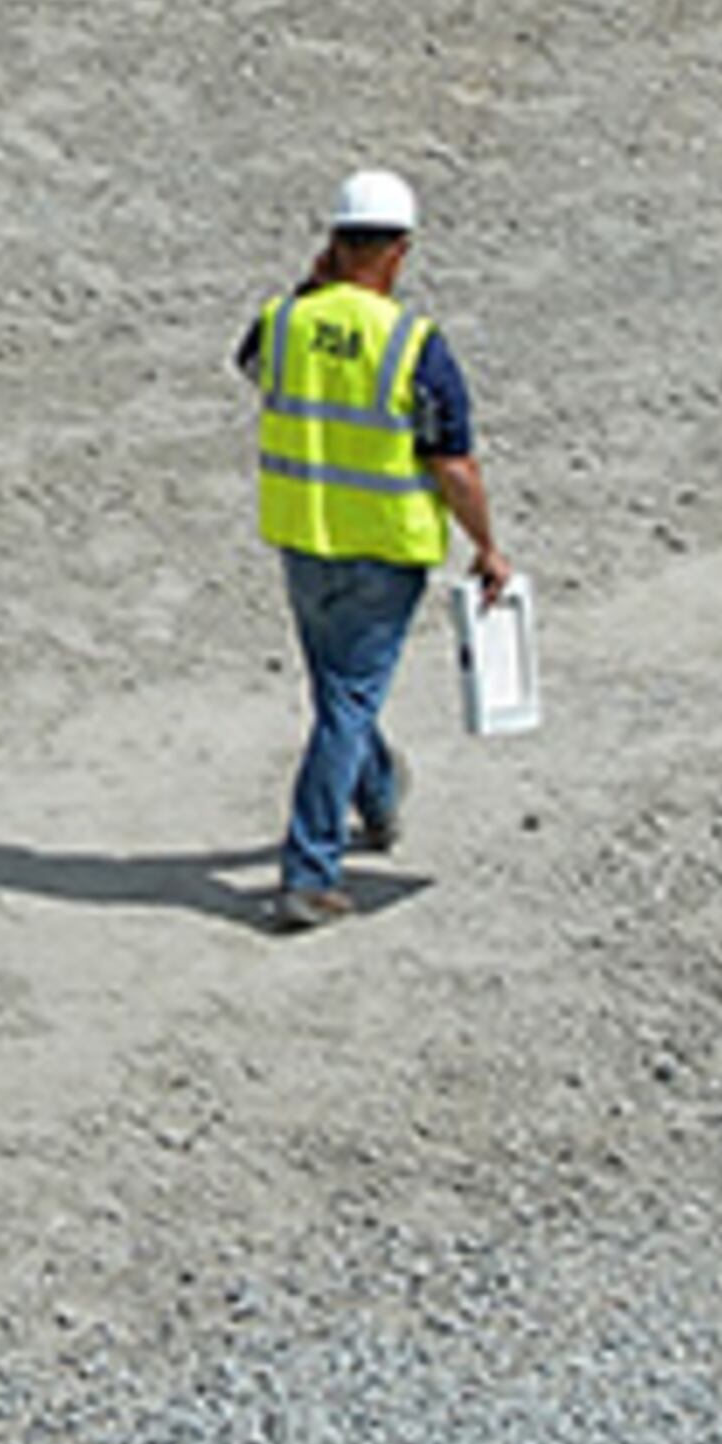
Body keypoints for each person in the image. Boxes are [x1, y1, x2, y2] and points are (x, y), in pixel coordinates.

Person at [238, 165, 513, 934]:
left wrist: (311, 288)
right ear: (400, 250)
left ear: (333, 242)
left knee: (340, 695)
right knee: (348, 702)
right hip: (383, 553)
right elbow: (453, 465)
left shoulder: (284, 321)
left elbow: (252, 366)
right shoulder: (413, 344)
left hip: (303, 539)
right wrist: (488, 546)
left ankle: (381, 793)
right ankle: (310, 871)